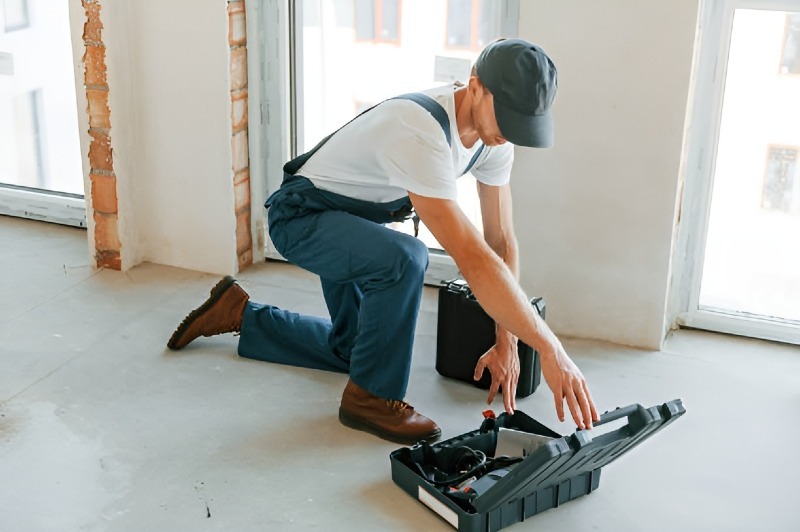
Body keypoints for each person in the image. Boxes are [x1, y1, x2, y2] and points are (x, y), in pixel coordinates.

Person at [167, 38, 599, 444]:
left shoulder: (493, 141)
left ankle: (239, 312)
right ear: (476, 87)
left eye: (525, 124)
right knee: (405, 258)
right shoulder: (421, 130)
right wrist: (551, 347)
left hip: (350, 221)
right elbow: (473, 257)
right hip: (302, 217)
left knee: (354, 352)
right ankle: (370, 399)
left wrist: (507, 343)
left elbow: (501, 242)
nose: (511, 133)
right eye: (507, 117)